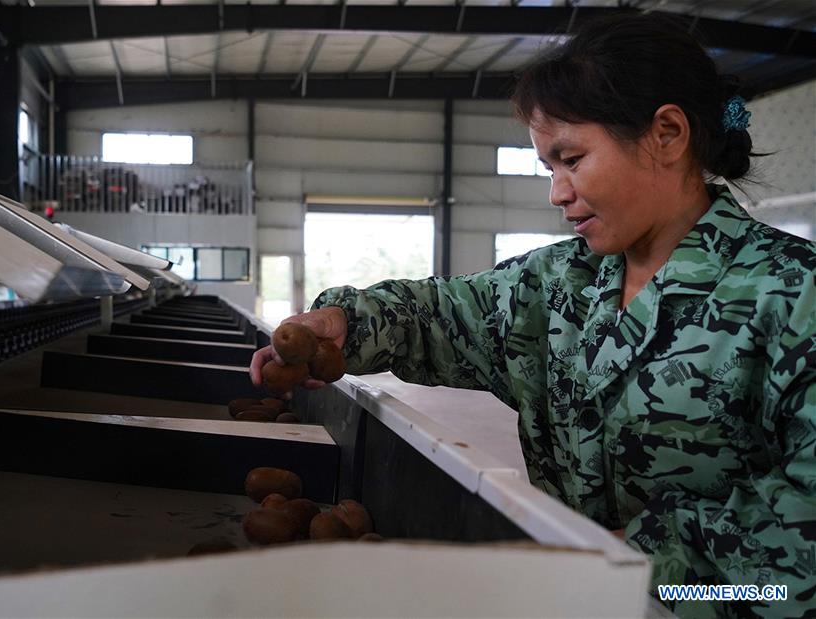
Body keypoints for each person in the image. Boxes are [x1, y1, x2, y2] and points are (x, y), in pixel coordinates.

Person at [250, 13, 816, 619]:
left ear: (667, 135)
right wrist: (347, 323)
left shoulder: (791, 296)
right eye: (550, 167)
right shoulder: (557, 284)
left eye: (571, 159)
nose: (557, 192)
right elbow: (443, 315)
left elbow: (793, 570)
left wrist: (653, 579)